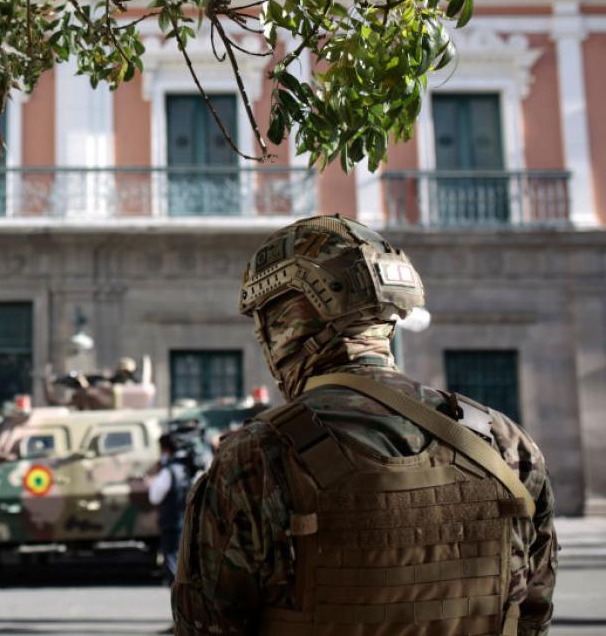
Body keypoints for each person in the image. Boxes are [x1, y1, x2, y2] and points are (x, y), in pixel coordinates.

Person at [173, 215, 557, 636]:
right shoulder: (502, 442)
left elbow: (205, 623)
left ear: (285, 324)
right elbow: (531, 614)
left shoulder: (259, 456)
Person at [148, 433, 191, 586]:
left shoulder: (168, 471)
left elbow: (154, 497)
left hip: (170, 520)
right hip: (184, 518)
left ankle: (178, 587)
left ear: (165, 450)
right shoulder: (186, 468)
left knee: (172, 556)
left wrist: (151, 480)